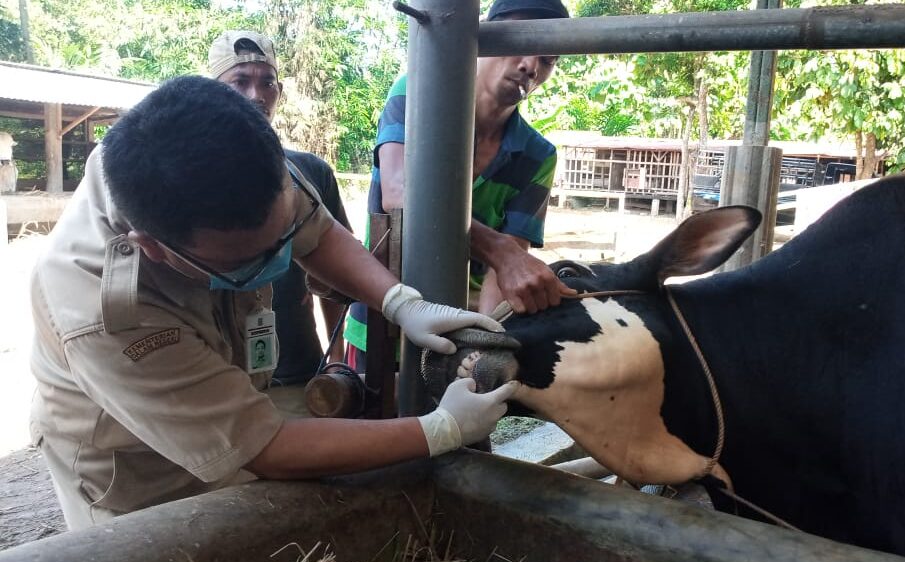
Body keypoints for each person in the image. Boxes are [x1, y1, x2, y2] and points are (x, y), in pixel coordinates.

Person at [29, 76, 517, 530]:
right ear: (155, 248)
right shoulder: (107, 314)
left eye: (281, 238)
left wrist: (400, 301)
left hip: (226, 400)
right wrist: (439, 430)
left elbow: (316, 232)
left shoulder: (243, 166)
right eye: (247, 262)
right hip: (134, 468)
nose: (280, 260)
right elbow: (264, 445)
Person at [343, 0, 577, 372]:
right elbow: (400, 195)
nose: (531, 67)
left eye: (548, 59)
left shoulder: (538, 155)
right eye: (522, 43)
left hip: (460, 333)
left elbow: (503, 276)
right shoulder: (414, 94)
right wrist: (499, 248)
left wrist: (486, 345)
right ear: (484, 34)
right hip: (382, 315)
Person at [209, 31, 349, 407]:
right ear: (213, 91)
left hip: (300, 369)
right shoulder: (193, 175)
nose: (256, 95)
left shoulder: (310, 173)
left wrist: (335, 359)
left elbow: (337, 273)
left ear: (279, 91)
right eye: (240, 81)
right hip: (220, 377)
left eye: (266, 82)